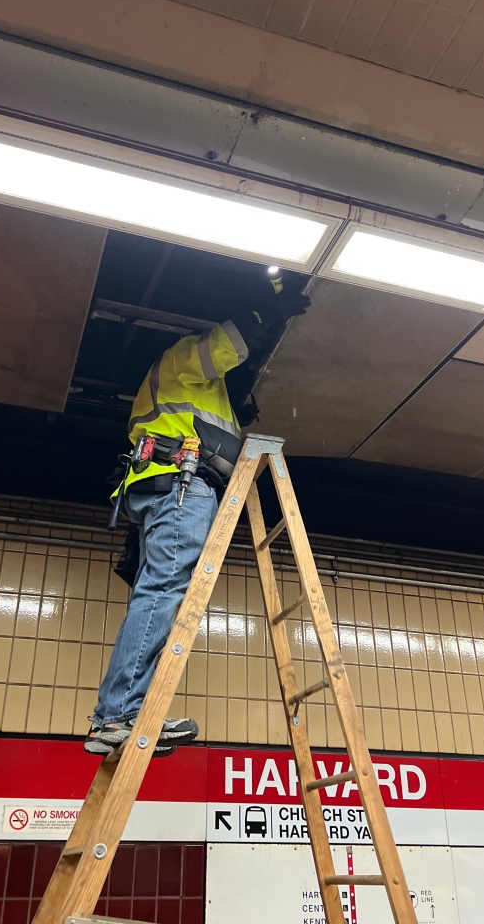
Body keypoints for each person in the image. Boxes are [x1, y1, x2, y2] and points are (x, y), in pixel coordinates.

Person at [85, 284, 310, 758]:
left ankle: (125, 710)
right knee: (165, 589)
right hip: (181, 485)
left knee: (161, 589)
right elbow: (229, 343)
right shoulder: (182, 359)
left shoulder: (199, 392)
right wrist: (270, 306)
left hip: (164, 486)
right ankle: (119, 713)